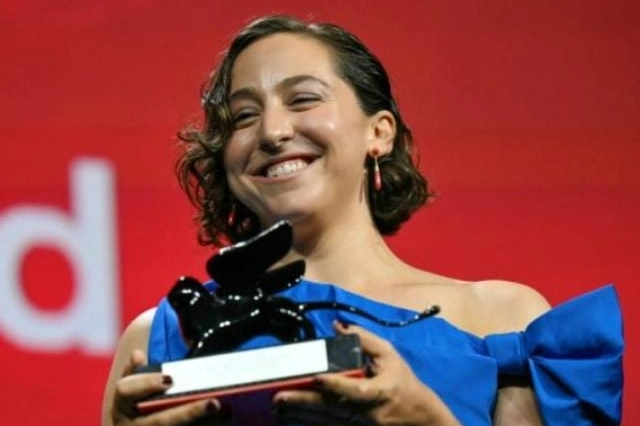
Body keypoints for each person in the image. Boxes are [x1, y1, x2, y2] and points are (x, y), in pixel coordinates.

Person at [102, 15, 623, 426]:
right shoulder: (161, 338)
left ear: (379, 133)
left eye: (303, 99)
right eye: (244, 116)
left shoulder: (501, 319)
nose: (272, 132)